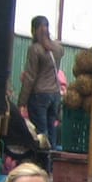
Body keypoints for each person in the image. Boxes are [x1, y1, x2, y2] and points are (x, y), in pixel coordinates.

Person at [20, 15, 63, 149]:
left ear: (33, 30)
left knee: (41, 134)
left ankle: (42, 163)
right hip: (55, 95)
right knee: (52, 132)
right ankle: (51, 165)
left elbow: (30, 77)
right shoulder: (57, 48)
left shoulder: (35, 49)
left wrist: (22, 101)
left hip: (39, 96)